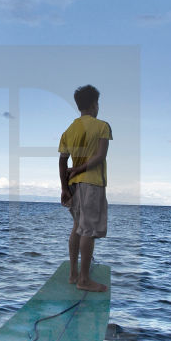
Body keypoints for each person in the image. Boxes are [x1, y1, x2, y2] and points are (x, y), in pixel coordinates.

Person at [58, 84, 111, 292]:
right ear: (94, 104)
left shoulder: (69, 130)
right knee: (88, 230)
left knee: (77, 228)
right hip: (91, 184)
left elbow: (62, 162)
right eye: (98, 103)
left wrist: (64, 188)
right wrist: (80, 168)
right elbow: (100, 157)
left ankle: (73, 275)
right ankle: (84, 280)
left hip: (72, 185)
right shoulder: (102, 126)